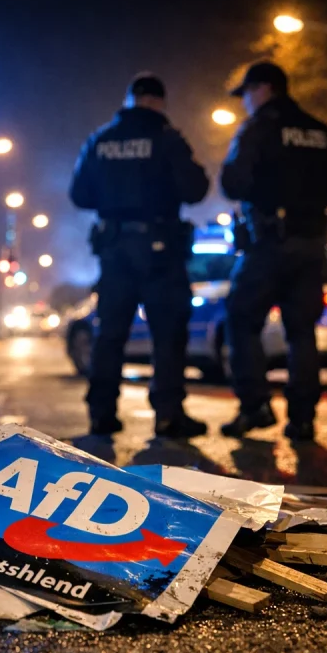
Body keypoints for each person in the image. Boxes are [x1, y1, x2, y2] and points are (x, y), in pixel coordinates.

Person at [69, 73, 210, 439]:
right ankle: (167, 414)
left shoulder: (102, 140)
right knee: (168, 333)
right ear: (159, 101)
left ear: (130, 99)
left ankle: (101, 414)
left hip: (115, 250)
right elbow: (196, 188)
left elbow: (80, 195)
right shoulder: (167, 138)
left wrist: (114, 195)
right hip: (160, 249)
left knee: (110, 333)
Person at [219, 61, 327, 442]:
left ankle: (254, 405)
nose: (245, 102)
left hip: (268, 245)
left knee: (241, 319)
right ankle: (303, 418)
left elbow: (232, 182)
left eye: (246, 93)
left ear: (263, 88)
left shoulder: (258, 128)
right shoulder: (321, 131)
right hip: (310, 245)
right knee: (301, 331)